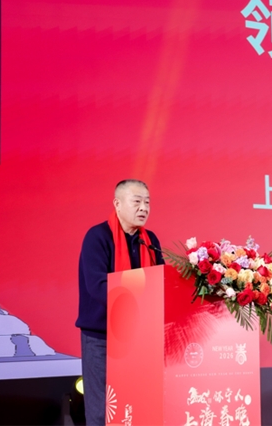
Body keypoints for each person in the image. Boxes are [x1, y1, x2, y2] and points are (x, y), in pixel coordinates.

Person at [76, 179, 164, 425]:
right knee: (102, 409)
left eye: (147, 202)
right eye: (137, 202)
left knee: (137, 404)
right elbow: (98, 286)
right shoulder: (97, 237)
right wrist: (140, 300)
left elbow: (160, 282)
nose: (144, 208)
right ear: (117, 203)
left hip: (140, 336)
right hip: (102, 335)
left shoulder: (150, 240)